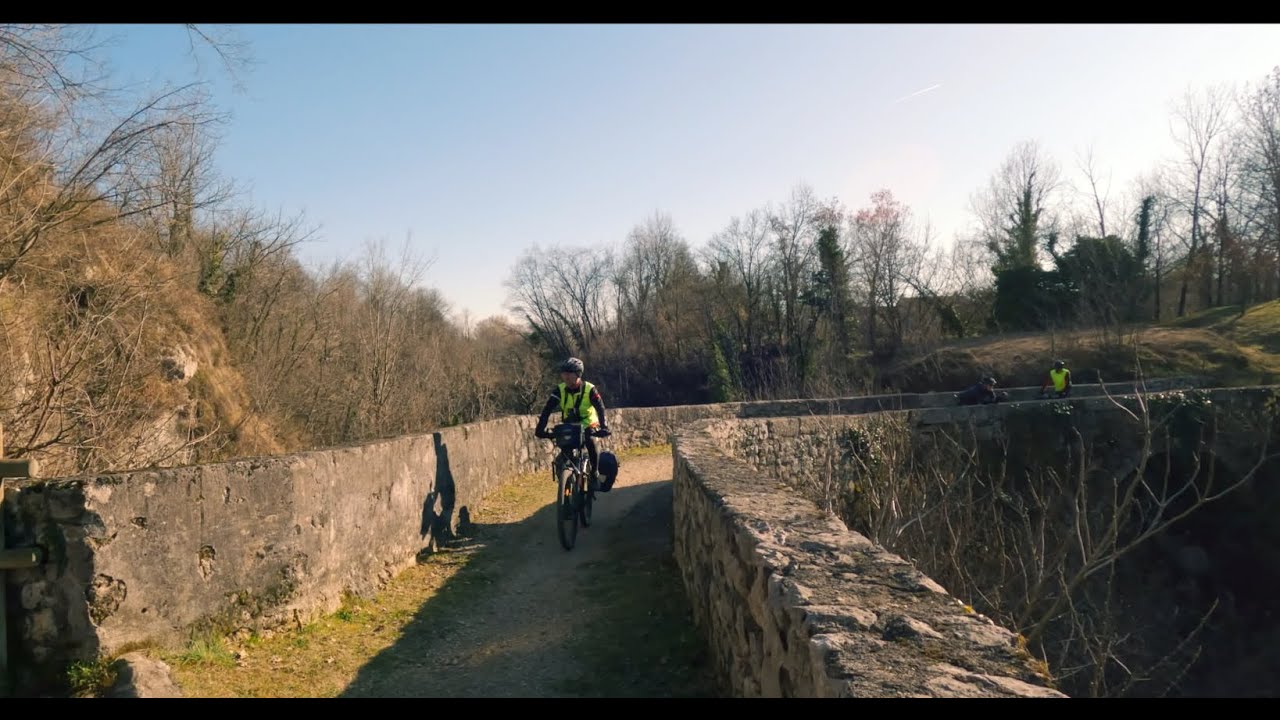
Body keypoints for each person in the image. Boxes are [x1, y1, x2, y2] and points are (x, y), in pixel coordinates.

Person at [535, 357, 612, 491]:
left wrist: (604, 426)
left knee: (591, 441)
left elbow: (600, 408)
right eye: (563, 373)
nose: (565, 376)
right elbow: (547, 409)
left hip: (588, 424)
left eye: (569, 373)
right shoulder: (560, 389)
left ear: (578, 374)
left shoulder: (589, 389)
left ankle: (594, 473)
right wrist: (540, 429)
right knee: (562, 458)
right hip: (570, 426)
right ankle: (565, 484)